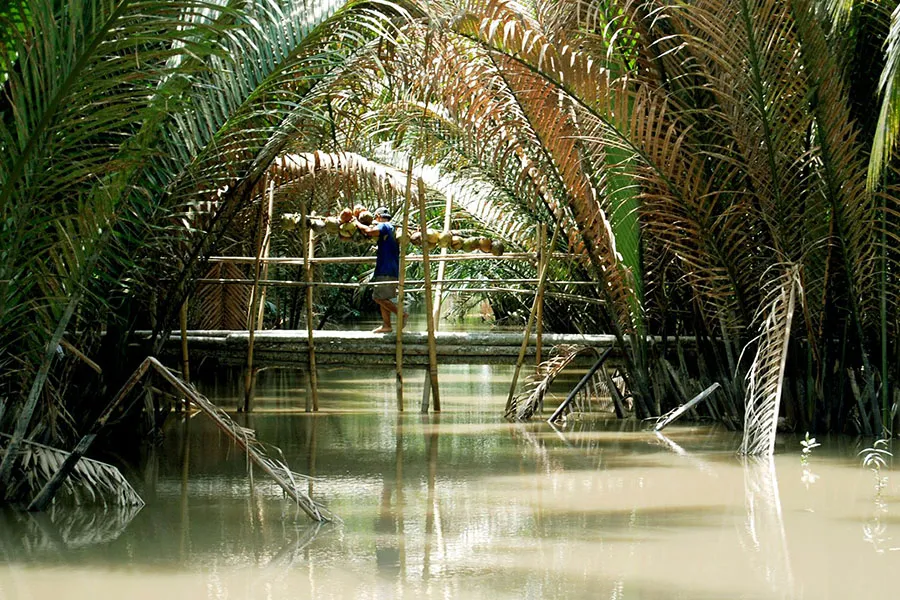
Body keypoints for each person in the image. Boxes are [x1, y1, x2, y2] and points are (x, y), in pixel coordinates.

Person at [354, 206, 407, 333]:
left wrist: (356, 222)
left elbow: (368, 231)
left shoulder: (385, 226)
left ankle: (401, 314)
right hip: (389, 268)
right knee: (383, 298)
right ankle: (387, 325)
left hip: (386, 269)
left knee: (378, 298)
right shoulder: (391, 229)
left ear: (377, 217)